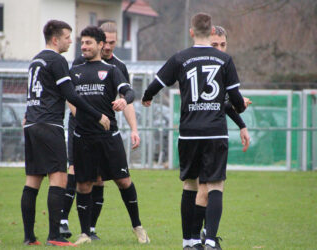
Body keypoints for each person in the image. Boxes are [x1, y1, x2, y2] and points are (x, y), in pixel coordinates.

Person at [142, 13, 247, 250]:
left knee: (190, 185)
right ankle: (210, 240)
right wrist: (240, 107)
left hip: (189, 132)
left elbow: (156, 84)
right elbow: (236, 99)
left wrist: (147, 97)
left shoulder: (180, 58)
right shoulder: (224, 59)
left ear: (191, 32)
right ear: (211, 32)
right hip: (215, 132)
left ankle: (189, 241)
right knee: (215, 186)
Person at [21, 20, 110, 246]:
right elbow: (72, 95)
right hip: (50, 125)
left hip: (31, 124)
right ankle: (54, 236)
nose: (72, 41)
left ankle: (29, 237)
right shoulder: (57, 60)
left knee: (32, 181)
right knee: (59, 178)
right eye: (67, 37)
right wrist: (97, 115)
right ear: (55, 39)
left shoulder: (35, 60)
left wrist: (28, 113)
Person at [68, 26, 149, 245]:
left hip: (108, 136)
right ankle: (85, 233)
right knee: (84, 185)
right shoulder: (74, 69)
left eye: (88, 43)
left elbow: (129, 91)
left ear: (100, 45)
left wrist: (125, 100)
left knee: (123, 180)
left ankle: (138, 226)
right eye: (82, 43)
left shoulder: (111, 70)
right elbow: (68, 96)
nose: (84, 46)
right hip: (83, 136)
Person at [193, 26, 251, 247]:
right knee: (210, 186)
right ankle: (206, 238)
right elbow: (224, 103)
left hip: (199, 134)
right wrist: (240, 106)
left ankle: (200, 238)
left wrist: (241, 125)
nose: (219, 49)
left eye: (222, 45)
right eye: (215, 44)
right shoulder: (205, 66)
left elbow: (224, 104)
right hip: (206, 134)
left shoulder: (223, 65)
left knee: (204, 188)